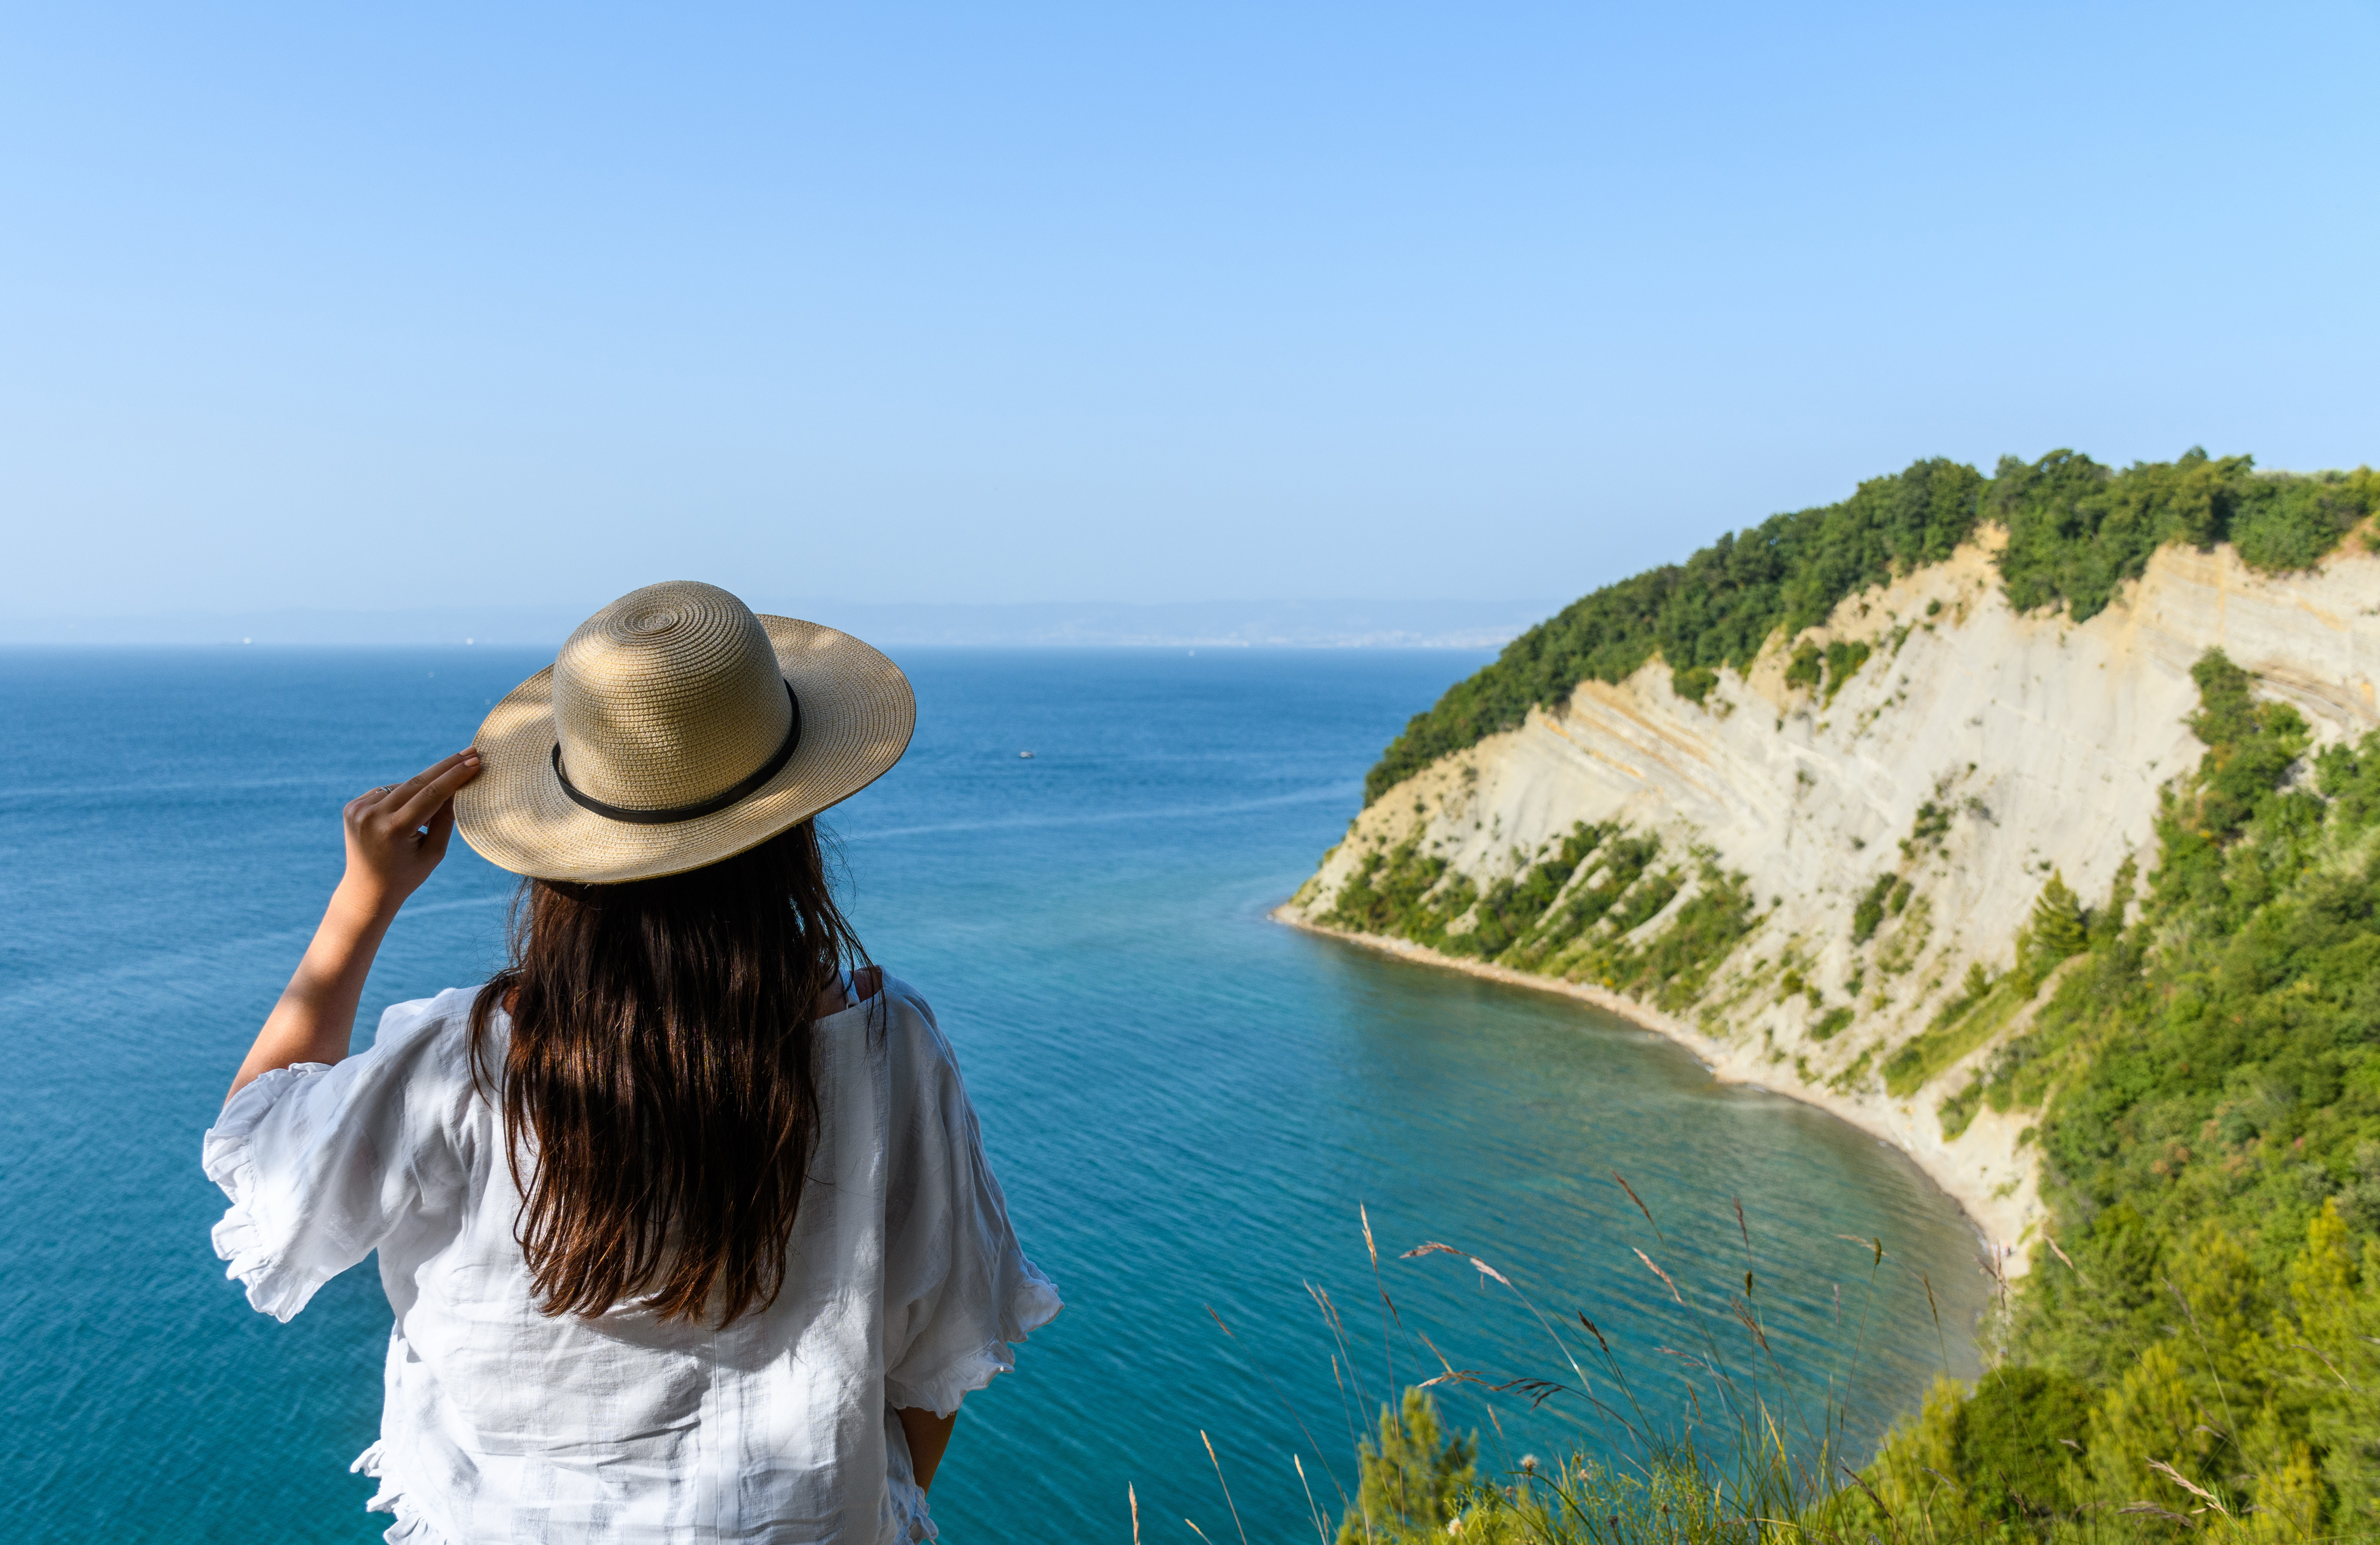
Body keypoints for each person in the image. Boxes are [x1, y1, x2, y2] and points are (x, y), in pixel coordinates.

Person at [204, 581, 1060, 1543]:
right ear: (794, 832)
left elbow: (255, 1144)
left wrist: (360, 903)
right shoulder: (885, 1044)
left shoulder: (468, 1062)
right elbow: (937, 1354)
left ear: (565, 847)